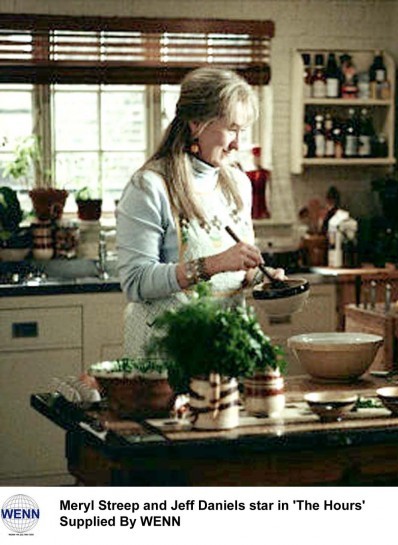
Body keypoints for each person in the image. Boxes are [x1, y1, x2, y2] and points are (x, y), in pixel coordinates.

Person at [116, 66, 281, 357]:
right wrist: (213, 264)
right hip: (165, 350)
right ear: (196, 123)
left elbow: (239, 268)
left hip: (224, 347)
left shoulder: (238, 183)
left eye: (242, 131)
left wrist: (261, 277)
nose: (237, 144)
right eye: (231, 129)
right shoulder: (149, 186)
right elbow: (136, 282)